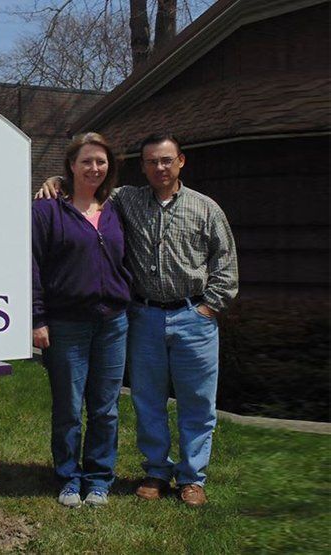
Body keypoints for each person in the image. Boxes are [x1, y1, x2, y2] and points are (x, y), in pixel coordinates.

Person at [37, 133, 238, 507]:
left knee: (196, 401)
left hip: (193, 317)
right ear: (142, 166)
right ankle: (156, 472)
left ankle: (192, 478)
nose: (159, 168)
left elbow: (225, 262)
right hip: (143, 316)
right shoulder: (126, 200)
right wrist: (57, 182)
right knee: (147, 399)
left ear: (180, 161)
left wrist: (209, 306)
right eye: (151, 162)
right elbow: (86, 184)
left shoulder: (205, 207)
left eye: (166, 160)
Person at [32, 132, 131, 508]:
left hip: (113, 323)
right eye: (86, 161)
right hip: (66, 324)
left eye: (101, 162)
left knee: (106, 408)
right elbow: (32, 266)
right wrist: (37, 318)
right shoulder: (46, 210)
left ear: (110, 168)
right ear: (71, 166)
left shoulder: (118, 208)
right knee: (69, 408)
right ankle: (69, 478)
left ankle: (100, 478)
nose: (94, 168)